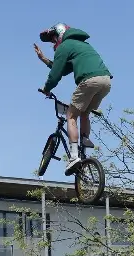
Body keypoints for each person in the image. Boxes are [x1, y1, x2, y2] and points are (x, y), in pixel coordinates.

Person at [35, 23, 112, 174]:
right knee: (84, 113)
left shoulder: (64, 47)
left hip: (89, 81)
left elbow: (55, 75)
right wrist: (44, 59)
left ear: (59, 35)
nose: (53, 43)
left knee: (71, 116)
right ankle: (84, 144)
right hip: (106, 81)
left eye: (53, 39)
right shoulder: (82, 44)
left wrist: (46, 89)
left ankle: (74, 157)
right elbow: (64, 69)